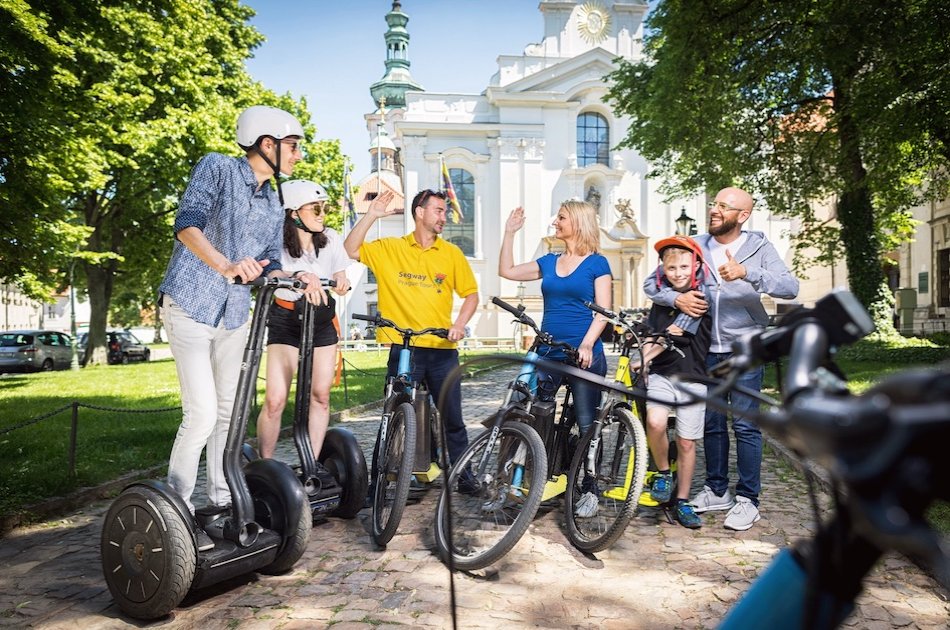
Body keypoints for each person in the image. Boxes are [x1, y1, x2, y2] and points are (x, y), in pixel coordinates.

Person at [158, 105, 319, 550]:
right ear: (267, 144)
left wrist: (293, 275)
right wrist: (225, 264)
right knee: (202, 412)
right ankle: (177, 508)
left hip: (233, 314)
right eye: (292, 146)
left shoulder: (272, 201)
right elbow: (186, 224)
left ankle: (220, 502)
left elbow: (267, 260)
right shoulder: (218, 168)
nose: (298, 155)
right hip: (190, 304)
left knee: (231, 413)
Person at [644, 187, 799, 531]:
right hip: (702, 352)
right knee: (712, 424)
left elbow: (790, 287)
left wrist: (748, 274)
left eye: (724, 206)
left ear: (742, 215)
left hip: (744, 348)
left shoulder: (759, 247)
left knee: (744, 424)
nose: (714, 210)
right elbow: (652, 283)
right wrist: (676, 300)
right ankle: (716, 490)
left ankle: (748, 499)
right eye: (714, 204)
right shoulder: (695, 244)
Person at [343, 188, 478, 481]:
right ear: (420, 212)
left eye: (445, 211)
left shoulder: (451, 253)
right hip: (405, 348)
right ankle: (379, 480)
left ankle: (464, 475)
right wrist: (371, 216)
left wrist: (459, 324)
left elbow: (471, 295)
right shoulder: (391, 248)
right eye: (439, 210)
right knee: (393, 416)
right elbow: (351, 249)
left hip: (442, 348)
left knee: (452, 418)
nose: (445, 216)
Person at [499, 202, 611, 517]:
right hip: (549, 352)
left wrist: (588, 344)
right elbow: (506, 271)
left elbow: (603, 312)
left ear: (577, 222)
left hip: (583, 355)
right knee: (537, 416)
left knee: (588, 423)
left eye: (561, 217)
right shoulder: (549, 261)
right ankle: (530, 481)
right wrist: (509, 233)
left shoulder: (597, 264)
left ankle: (590, 489)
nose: (555, 222)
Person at [255, 179, 352, 475]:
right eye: (316, 208)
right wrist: (300, 275)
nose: (322, 213)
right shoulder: (277, 244)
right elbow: (273, 270)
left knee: (320, 395)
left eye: (324, 208)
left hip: (321, 321)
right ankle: (266, 467)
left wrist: (342, 280)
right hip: (286, 320)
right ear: (293, 213)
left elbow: (339, 274)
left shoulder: (331, 238)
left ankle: (310, 465)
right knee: (275, 399)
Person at [636, 236, 712, 529]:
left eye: (684, 266)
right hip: (662, 374)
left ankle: (682, 500)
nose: (678, 273)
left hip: (693, 376)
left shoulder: (699, 298)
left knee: (686, 441)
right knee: (654, 422)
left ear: (695, 265)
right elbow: (654, 331)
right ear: (662, 269)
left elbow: (673, 333)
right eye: (671, 268)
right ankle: (664, 473)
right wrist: (645, 351)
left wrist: (645, 356)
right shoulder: (660, 296)